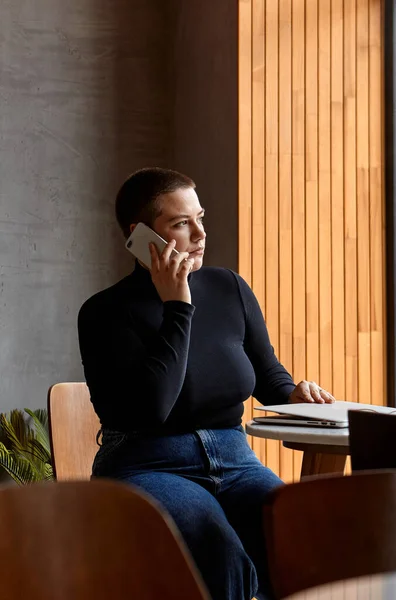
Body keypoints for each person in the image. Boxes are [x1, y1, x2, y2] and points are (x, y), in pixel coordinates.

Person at [78, 167, 335, 600]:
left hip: (236, 460)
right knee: (220, 552)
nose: (199, 233)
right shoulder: (104, 312)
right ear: (140, 235)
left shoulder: (229, 287)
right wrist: (178, 307)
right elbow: (151, 408)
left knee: (300, 534)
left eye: (200, 217)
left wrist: (294, 391)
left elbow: (268, 378)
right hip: (148, 465)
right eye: (181, 223)